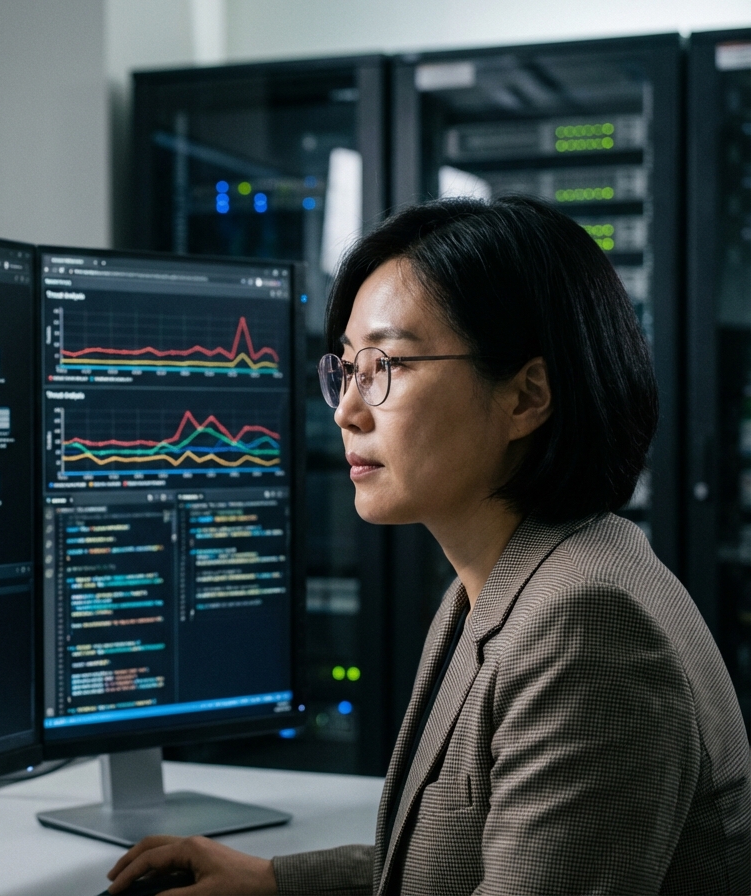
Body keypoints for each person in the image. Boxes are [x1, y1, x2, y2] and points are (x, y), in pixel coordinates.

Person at [105, 197, 751, 895]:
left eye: (388, 365)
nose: (348, 411)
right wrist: (275, 880)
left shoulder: (587, 626)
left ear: (526, 396)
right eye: (347, 369)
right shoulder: (513, 579)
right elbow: (460, 861)